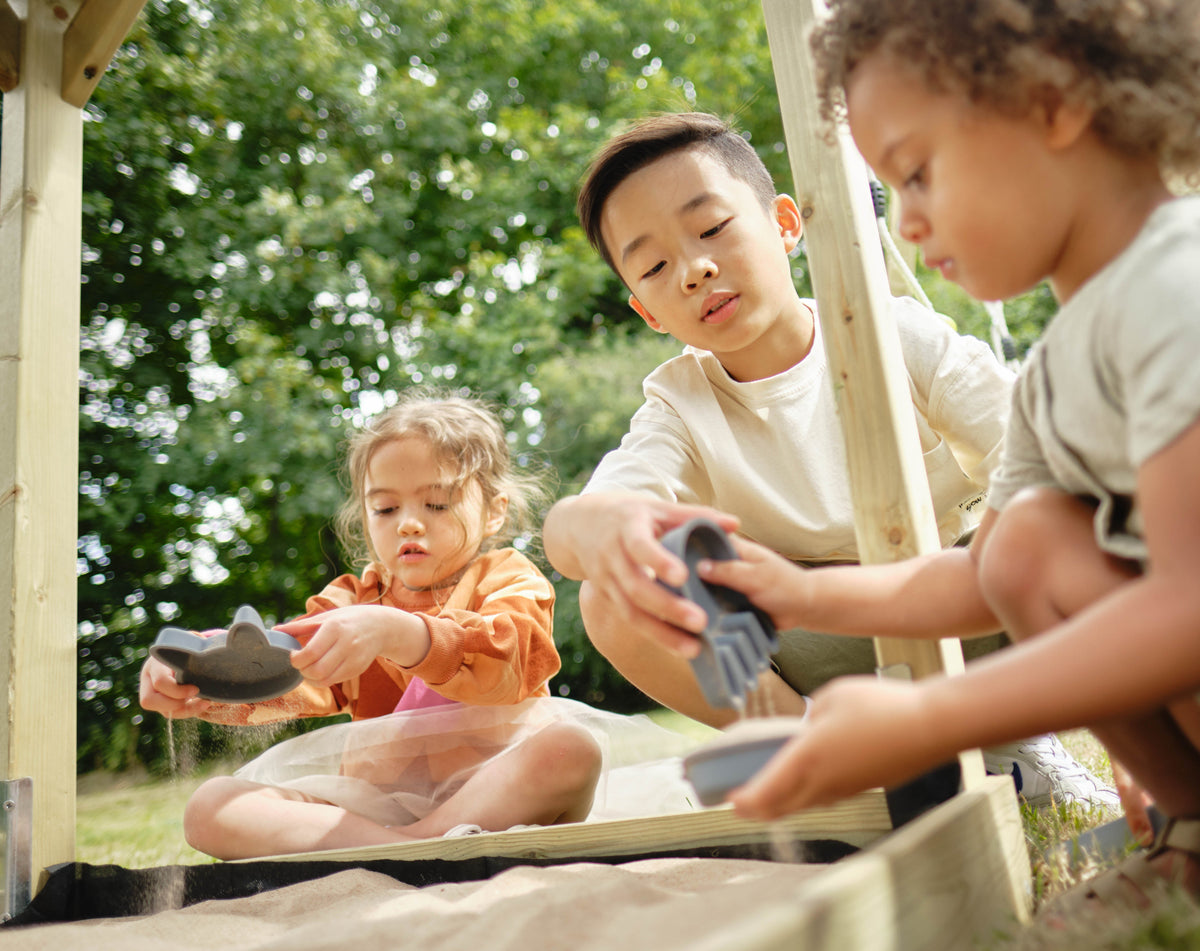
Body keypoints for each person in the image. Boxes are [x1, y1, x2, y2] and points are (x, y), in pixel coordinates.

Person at [691, 0, 1200, 908]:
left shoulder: (1177, 285)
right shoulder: (1054, 371)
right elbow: (983, 577)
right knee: (1027, 543)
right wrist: (798, 590)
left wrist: (928, 715)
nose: (910, 222)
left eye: (918, 174)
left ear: (1053, 102)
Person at [541, 111, 1115, 808]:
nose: (695, 269)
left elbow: (1033, 446)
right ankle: (825, 749)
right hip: (818, 643)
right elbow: (587, 518)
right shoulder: (679, 405)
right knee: (610, 596)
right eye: (656, 265)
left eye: (713, 228)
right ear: (648, 311)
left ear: (786, 223)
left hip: (965, 604)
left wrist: (996, 554)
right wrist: (590, 528)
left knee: (1069, 517)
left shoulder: (891, 331)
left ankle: (1017, 735)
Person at [139, 390, 603, 859]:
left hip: (493, 789)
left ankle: (415, 847)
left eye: (437, 504)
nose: (408, 524)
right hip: (373, 809)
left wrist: (400, 634)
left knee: (572, 749)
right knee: (210, 806)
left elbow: (511, 661)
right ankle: (412, 849)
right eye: (385, 509)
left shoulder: (506, 576)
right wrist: (200, 672)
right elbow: (286, 664)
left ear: (495, 510)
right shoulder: (353, 597)